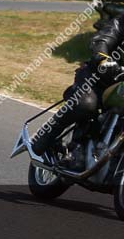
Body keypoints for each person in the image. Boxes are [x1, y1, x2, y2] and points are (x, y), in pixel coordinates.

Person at [30, 16, 124, 168]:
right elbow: (104, 38)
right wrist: (102, 58)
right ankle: (48, 138)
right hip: (99, 77)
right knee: (86, 104)